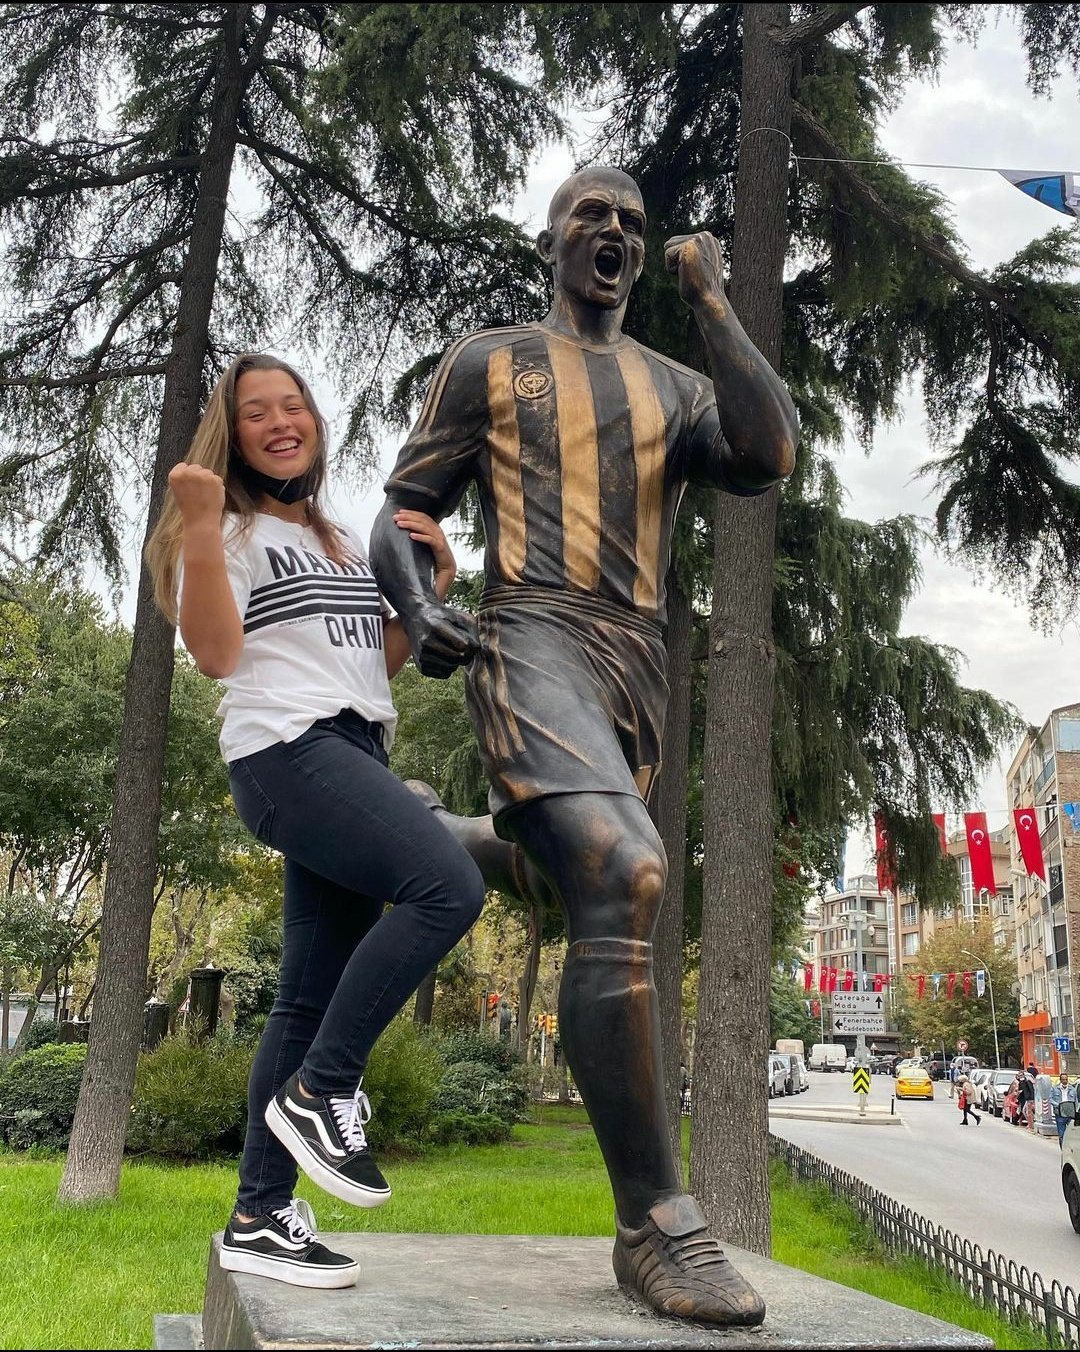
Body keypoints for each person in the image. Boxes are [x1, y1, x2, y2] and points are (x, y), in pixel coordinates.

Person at [371, 165, 798, 1327]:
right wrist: (419, 603)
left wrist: (713, 304)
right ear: (552, 240)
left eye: (631, 224)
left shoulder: (674, 384)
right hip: (528, 630)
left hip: (635, 660)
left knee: (570, 866)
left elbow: (768, 455)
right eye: (591, 217)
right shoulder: (490, 360)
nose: (613, 232)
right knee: (627, 868)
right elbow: (403, 511)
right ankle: (657, 1222)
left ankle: (427, 836)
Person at [146, 353, 485, 1289]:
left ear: (315, 424)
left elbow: (372, 664)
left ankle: (259, 1215)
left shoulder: (337, 540)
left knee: (305, 997)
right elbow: (216, 655)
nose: (280, 422)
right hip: (286, 752)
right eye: (257, 412)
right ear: (233, 434)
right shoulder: (230, 529)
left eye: (293, 405)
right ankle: (324, 1087)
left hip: (352, 749)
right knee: (448, 886)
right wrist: (201, 523)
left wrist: (434, 587)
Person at [1050, 1070, 1076, 1148]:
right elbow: (1050, 1099)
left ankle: (1070, 1148)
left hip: (1070, 1114)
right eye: (1063, 1079)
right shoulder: (1054, 1088)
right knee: (1061, 1134)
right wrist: (1057, 1105)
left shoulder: (1072, 1089)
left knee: (1072, 1133)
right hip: (1060, 1114)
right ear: (1060, 1080)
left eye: (1066, 1079)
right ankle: (1063, 1149)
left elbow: (1076, 1101)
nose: (1065, 1081)